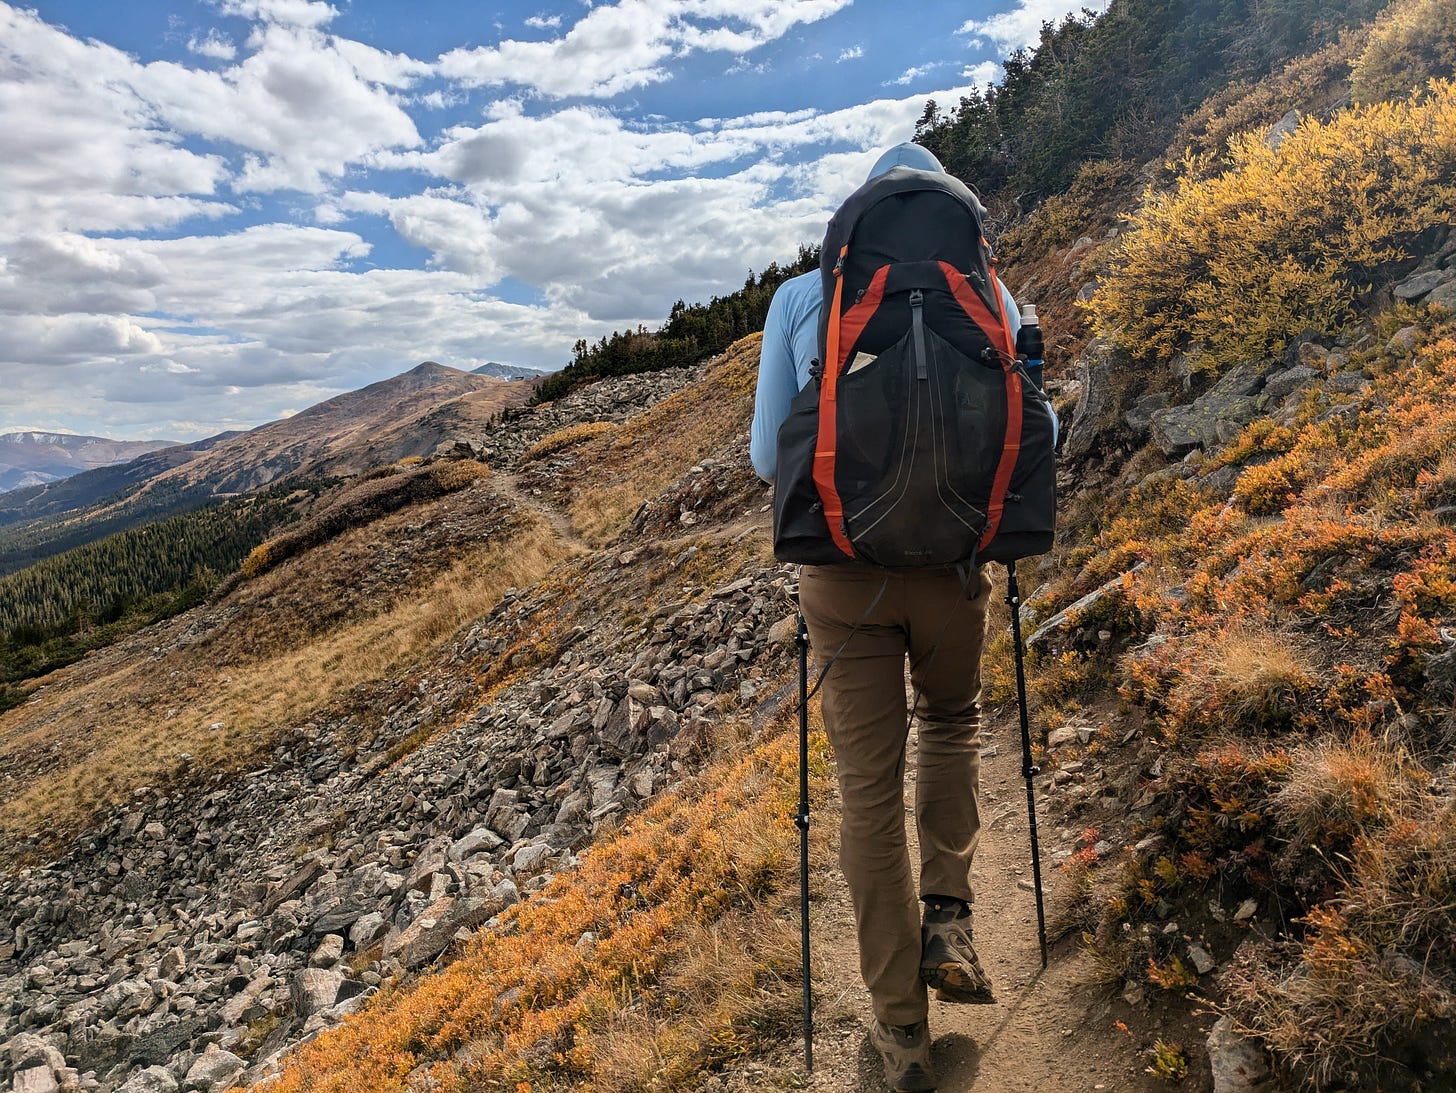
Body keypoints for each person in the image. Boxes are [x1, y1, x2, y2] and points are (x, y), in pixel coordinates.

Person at [751, 142, 1027, 1093]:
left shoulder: (802, 299)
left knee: (867, 791)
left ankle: (901, 1030)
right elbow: (1042, 430)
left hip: (841, 576)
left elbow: (763, 459)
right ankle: (947, 909)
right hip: (954, 565)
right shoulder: (993, 290)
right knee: (950, 721)